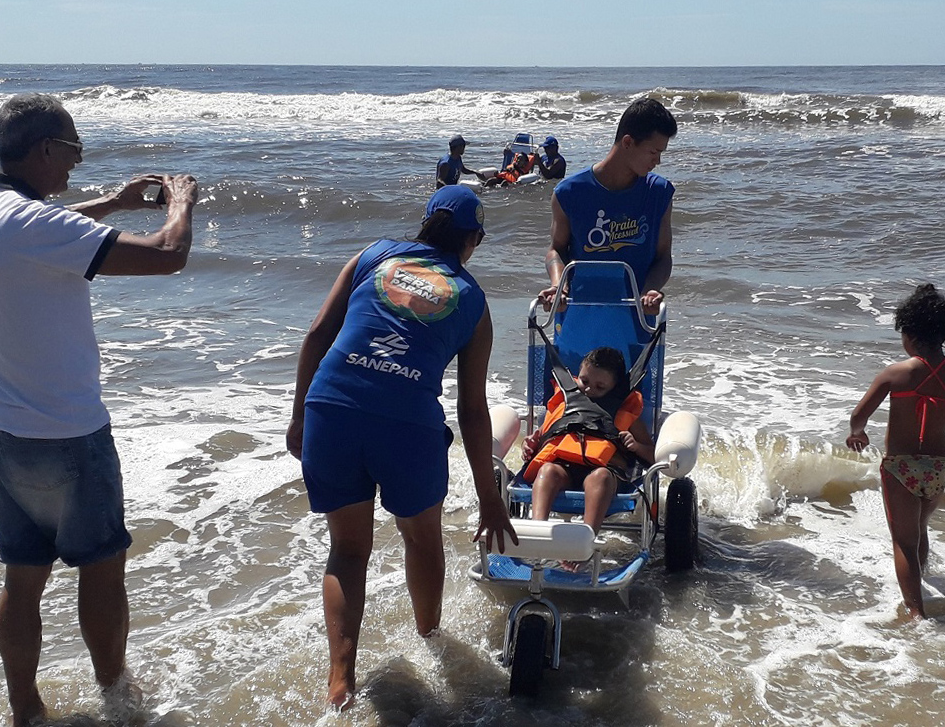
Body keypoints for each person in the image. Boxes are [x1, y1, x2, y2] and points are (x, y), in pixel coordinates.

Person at [0, 93, 198, 727]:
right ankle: (117, 699)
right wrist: (182, 202)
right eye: (73, 152)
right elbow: (168, 255)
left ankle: (25, 708)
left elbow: (38, 231)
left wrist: (110, 204)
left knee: (22, 577)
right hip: (62, 433)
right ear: (45, 150)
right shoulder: (38, 227)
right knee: (102, 571)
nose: (75, 168)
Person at [286, 185, 517, 711]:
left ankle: (339, 685)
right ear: (473, 241)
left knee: (347, 550)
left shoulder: (375, 254)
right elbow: (472, 410)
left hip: (333, 407)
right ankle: (431, 639)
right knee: (422, 539)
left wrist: (301, 414)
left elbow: (319, 334)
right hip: (406, 426)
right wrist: (489, 497)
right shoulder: (474, 301)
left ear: (427, 222)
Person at [846, 283, 945, 621]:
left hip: (900, 467)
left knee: (903, 540)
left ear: (911, 334)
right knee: (920, 530)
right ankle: (920, 579)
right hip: (937, 468)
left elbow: (858, 416)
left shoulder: (896, 374)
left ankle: (916, 614)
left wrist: (857, 435)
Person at [539, 98, 677, 315]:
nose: (657, 161)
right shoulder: (569, 193)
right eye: (653, 152)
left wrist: (650, 290)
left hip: (637, 319)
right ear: (628, 142)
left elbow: (663, 257)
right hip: (579, 315)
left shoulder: (659, 193)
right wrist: (558, 286)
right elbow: (556, 249)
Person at [521, 348, 654, 536]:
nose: (590, 389)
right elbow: (544, 437)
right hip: (564, 469)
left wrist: (637, 446)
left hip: (605, 474)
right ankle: (537, 534)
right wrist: (529, 445)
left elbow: (654, 456)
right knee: (547, 470)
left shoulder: (624, 413)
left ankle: (585, 539)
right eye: (584, 381)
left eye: (600, 387)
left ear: (615, 387)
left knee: (600, 477)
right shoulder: (565, 403)